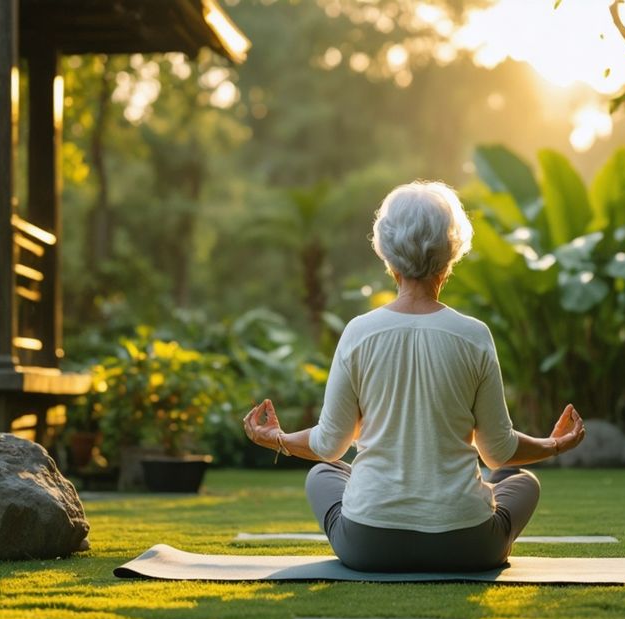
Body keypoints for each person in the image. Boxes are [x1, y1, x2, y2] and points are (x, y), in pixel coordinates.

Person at [242, 180, 586, 572]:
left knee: (323, 472)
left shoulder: (358, 332)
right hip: (468, 546)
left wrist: (280, 440)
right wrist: (554, 445)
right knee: (522, 481)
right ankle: (465, 509)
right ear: (451, 253)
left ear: (386, 253)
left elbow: (329, 446)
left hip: (369, 545)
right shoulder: (474, 336)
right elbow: (498, 452)